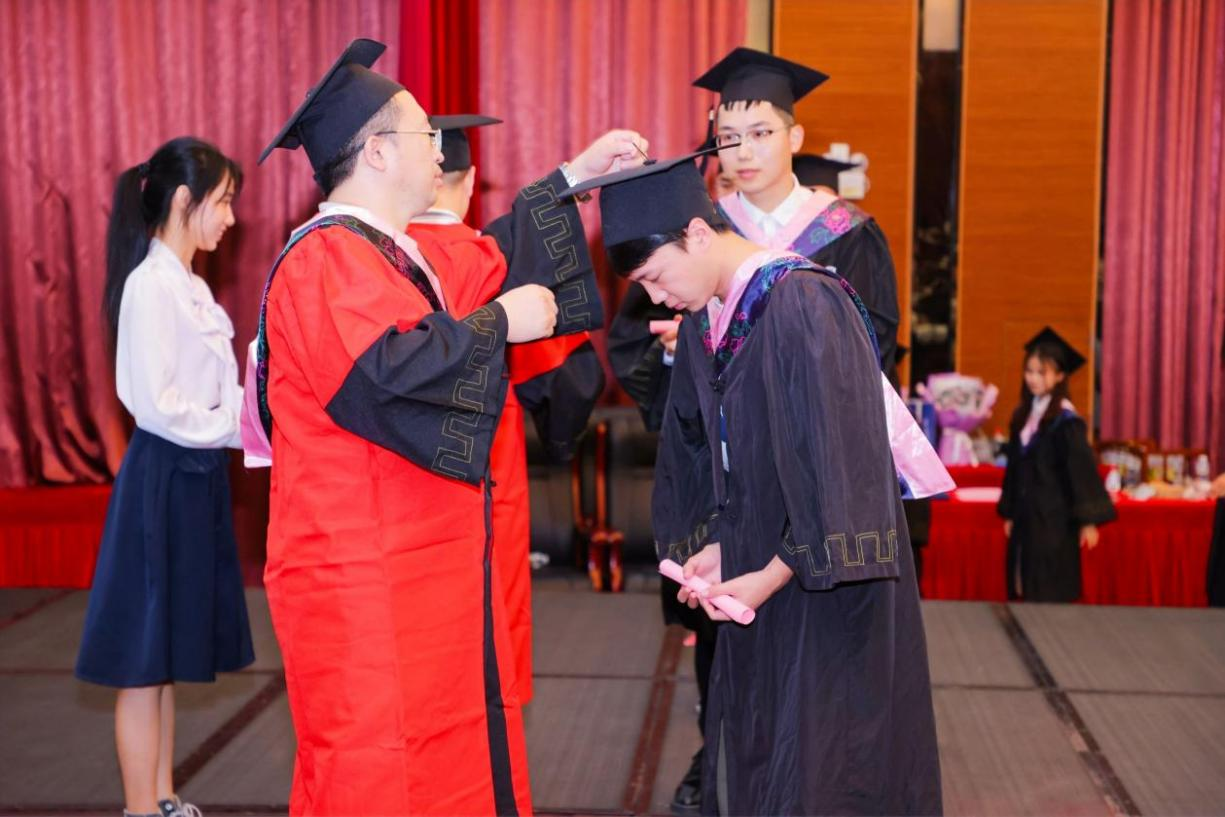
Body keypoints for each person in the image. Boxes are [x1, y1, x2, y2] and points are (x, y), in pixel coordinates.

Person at [254, 38, 645, 815]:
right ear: (375, 152)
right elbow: (388, 374)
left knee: (446, 757)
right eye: (421, 133)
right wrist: (500, 321)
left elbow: (490, 259)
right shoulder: (325, 260)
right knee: (376, 769)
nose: (439, 149)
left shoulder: (394, 257)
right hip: (361, 577)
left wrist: (573, 179)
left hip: (418, 569)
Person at [560, 147, 942, 816]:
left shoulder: (801, 300)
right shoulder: (713, 317)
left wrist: (771, 569)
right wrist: (720, 545)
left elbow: (843, 466)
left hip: (825, 587)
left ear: (697, 233)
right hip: (765, 577)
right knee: (764, 763)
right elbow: (727, 457)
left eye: (655, 276)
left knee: (825, 770)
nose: (657, 298)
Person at [76, 137, 254, 817]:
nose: (231, 219)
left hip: (197, 475)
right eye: (223, 202)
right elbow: (157, 405)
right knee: (141, 659)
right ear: (185, 200)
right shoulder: (150, 286)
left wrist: (251, 418)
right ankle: (139, 808)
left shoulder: (194, 287)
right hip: (163, 476)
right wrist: (236, 426)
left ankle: (164, 797)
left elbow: (222, 392)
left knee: (167, 654)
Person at [408, 114, 606, 704]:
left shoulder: (374, 258)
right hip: (488, 462)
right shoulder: (492, 258)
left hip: (402, 470)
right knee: (492, 604)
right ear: (470, 181)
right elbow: (564, 371)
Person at [695, 48, 903, 384]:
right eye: (729, 137)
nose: (743, 152)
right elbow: (642, 338)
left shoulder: (846, 232)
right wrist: (677, 349)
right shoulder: (702, 232)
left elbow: (873, 342)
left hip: (818, 409)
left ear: (794, 138)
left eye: (760, 134)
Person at [997, 327, 1117, 602]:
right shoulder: (1023, 415)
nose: (1033, 378)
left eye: (1042, 372)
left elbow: (1081, 471)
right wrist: (1010, 513)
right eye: (1030, 371)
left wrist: (1088, 520)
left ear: (1060, 376)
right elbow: (1014, 469)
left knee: (1049, 587)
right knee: (1023, 583)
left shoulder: (1066, 421)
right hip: (1026, 517)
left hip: (1055, 520)